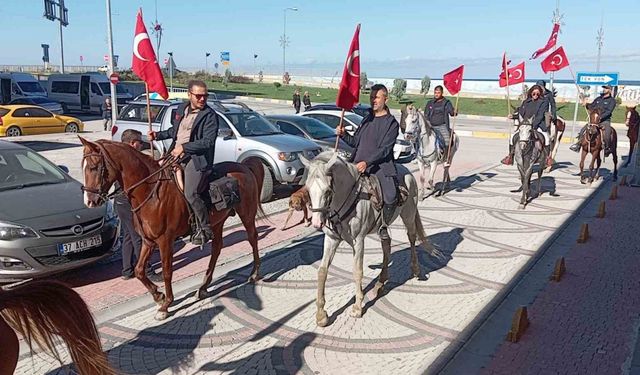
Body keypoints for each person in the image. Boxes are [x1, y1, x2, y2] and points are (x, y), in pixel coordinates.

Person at [148, 80, 218, 245]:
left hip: (197, 158)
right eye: (199, 96)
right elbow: (175, 131)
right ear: (189, 94)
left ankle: (205, 228)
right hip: (175, 154)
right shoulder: (181, 109)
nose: (202, 99)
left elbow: (208, 141)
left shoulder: (209, 115)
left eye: (205, 96)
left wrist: (185, 148)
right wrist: (157, 135)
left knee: (190, 193)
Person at [337, 84, 399, 240]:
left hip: (379, 166)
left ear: (386, 98)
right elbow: (355, 142)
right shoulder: (367, 119)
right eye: (371, 97)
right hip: (356, 163)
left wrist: (367, 162)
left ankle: (383, 226)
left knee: (391, 195)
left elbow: (385, 149)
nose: (373, 101)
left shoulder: (391, 123)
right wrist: (344, 134)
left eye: (376, 97)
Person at [115, 129, 160, 281]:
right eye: (140, 142)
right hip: (127, 201)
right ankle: (146, 270)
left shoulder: (120, 157)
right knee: (138, 236)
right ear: (133, 143)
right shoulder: (129, 159)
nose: (141, 145)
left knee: (128, 236)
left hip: (119, 202)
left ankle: (127, 270)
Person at [501, 84, 551, 166]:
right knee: (512, 138)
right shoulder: (525, 102)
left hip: (537, 125)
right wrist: (513, 116)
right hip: (525, 125)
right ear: (531, 93)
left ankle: (547, 159)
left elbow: (540, 115)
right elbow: (521, 114)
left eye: (537, 94)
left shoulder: (544, 102)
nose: (535, 95)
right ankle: (510, 157)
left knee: (547, 138)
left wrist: (532, 125)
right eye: (534, 93)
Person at [570, 85, 617, 154]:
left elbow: (609, 111)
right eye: (604, 88)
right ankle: (578, 145)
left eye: (606, 88)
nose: (604, 89)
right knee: (583, 130)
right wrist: (586, 104)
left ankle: (607, 148)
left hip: (604, 120)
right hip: (594, 121)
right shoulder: (598, 99)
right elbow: (592, 106)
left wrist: (600, 117)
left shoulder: (612, 101)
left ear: (610, 90)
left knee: (607, 133)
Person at [424, 86, 457, 165]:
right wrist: (427, 123)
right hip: (431, 126)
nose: (436, 94)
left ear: (442, 93)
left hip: (442, 126)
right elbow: (426, 114)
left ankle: (445, 158)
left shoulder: (446, 103)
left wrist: (454, 111)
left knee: (447, 141)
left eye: (438, 93)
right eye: (435, 92)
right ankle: (420, 156)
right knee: (421, 138)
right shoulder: (430, 103)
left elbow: (452, 113)